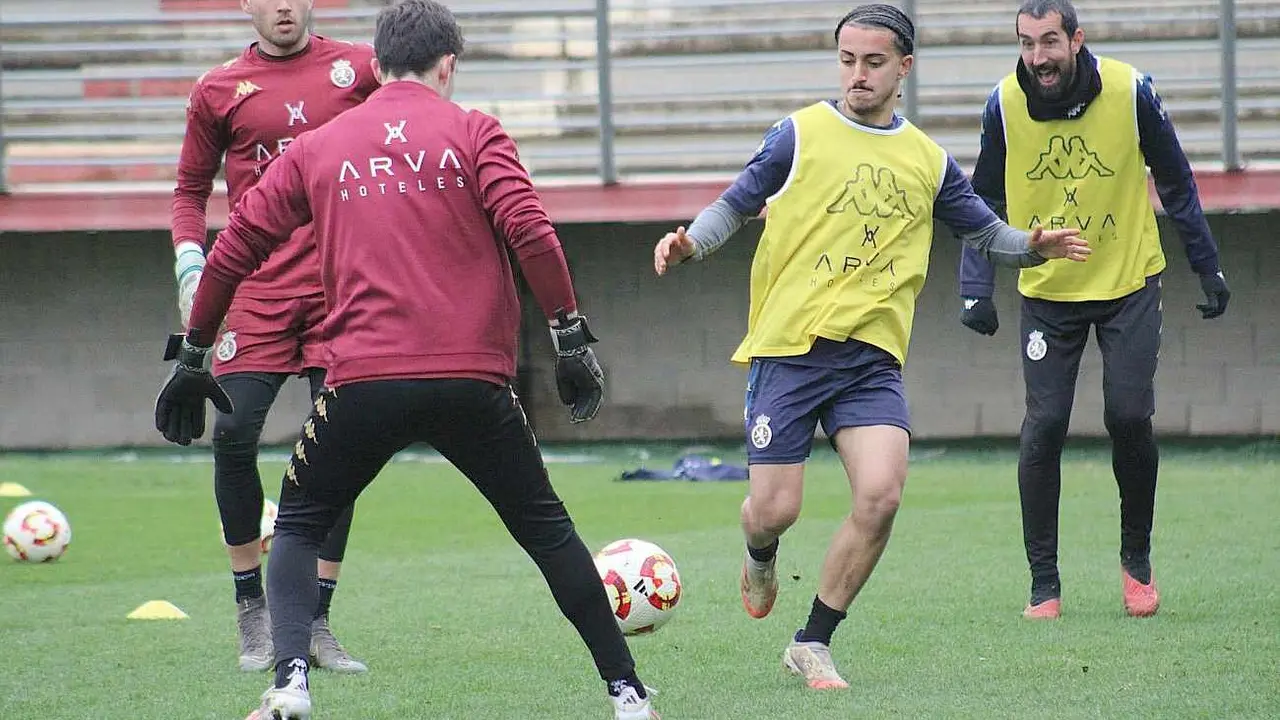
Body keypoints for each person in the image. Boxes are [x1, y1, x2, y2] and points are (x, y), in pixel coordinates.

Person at [154, 2, 658, 719]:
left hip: (363, 383)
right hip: (474, 385)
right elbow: (532, 233)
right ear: (447, 64)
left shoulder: (319, 147)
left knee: (296, 521)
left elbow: (233, 248)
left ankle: (290, 682)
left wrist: (197, 350)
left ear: (377, 64)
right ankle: (628, 694)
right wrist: (570, 340)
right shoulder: (475, 130)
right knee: (547, 532)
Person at [653, 3, 1090, 690]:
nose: (858, 75)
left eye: (874, 62)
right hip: (791, 350)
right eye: (848, 60)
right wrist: (689, 244)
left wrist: (1032, 246)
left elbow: (987, 234)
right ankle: (759, 550)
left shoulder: (927, 160)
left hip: (869, 361)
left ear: (904, 68)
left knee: (882, 496)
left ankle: (813, 642)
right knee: (777, 510)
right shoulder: (799, 134)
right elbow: (735, 204)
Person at [955, 0, 1230, 620]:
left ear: (1076, 40)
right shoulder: (1003, 102)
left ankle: (1137, 564)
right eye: (1026, 44)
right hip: (1048, 292)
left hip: (1129, 281)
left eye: (1049, 42)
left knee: (1129, 416)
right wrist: (976, 283)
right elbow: (984, 195)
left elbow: (1176, 179)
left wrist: (1207, 264)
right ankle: (1043, 584)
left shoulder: (1131, 90)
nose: (1038, 58)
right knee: (1043, 426)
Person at [170, 0, 378, 673]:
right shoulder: (219, 89)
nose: (283, 5)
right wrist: (189, 263)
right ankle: (251, 610)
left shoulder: (359, 69)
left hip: (339, 285)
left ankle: (316, 621)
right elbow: (189, 189)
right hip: (252, 290)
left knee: (342, 442)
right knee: (234, 433)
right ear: (246, 5)